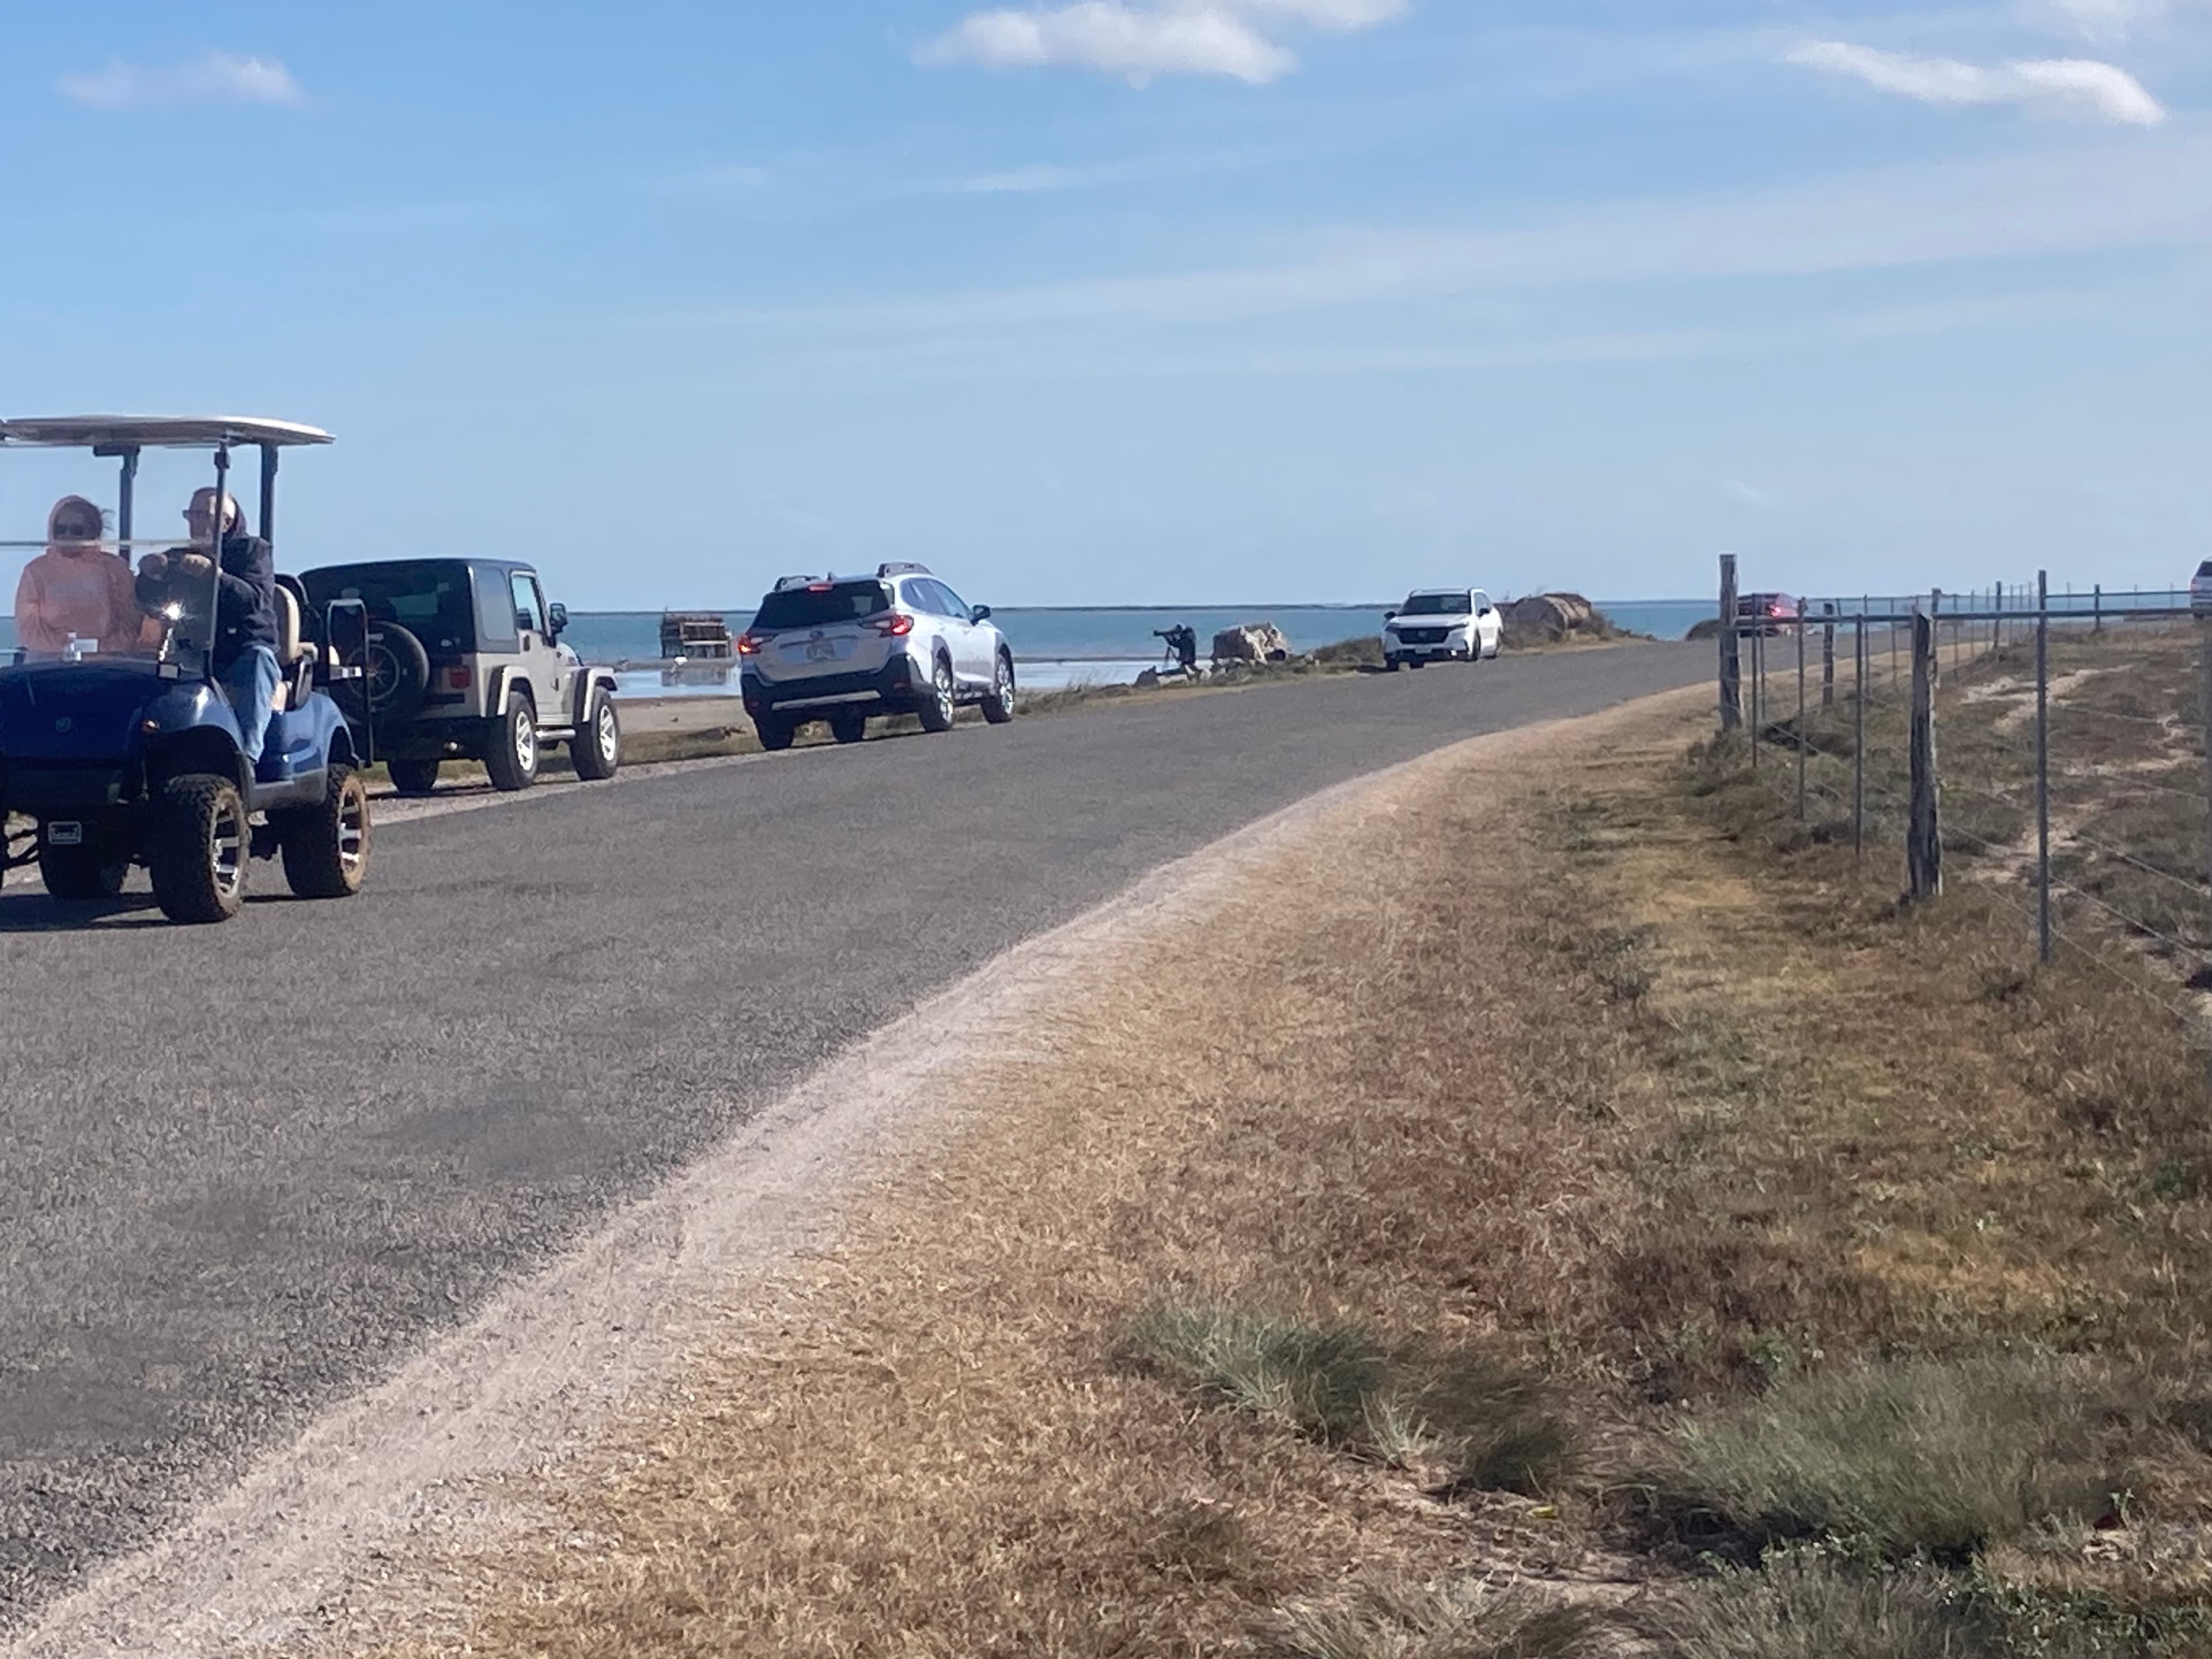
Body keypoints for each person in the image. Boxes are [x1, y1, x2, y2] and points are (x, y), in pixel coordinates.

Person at [135, 488, 281, 766]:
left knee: (258, 662)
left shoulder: (252, 551)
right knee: (156, 674)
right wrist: (149, 574)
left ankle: (246, 759)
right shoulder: (179, 555)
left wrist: (216, 576)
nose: (196, 521)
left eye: (205, 515)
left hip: (243, 647)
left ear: (226, 522)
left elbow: (254, 601)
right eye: (192, 514)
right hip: (194, 649)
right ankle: (157, 756)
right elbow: (149, 602)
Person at [13, 496, 149, 658]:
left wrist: (102, 652)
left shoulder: (115, 568)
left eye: (76, 530)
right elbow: (30, 630)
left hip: (107, 665)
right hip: (48, 666)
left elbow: (129, 623)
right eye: (60, 529)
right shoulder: (36, 571)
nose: (67, 535)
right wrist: (66, 652)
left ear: (93, 532)